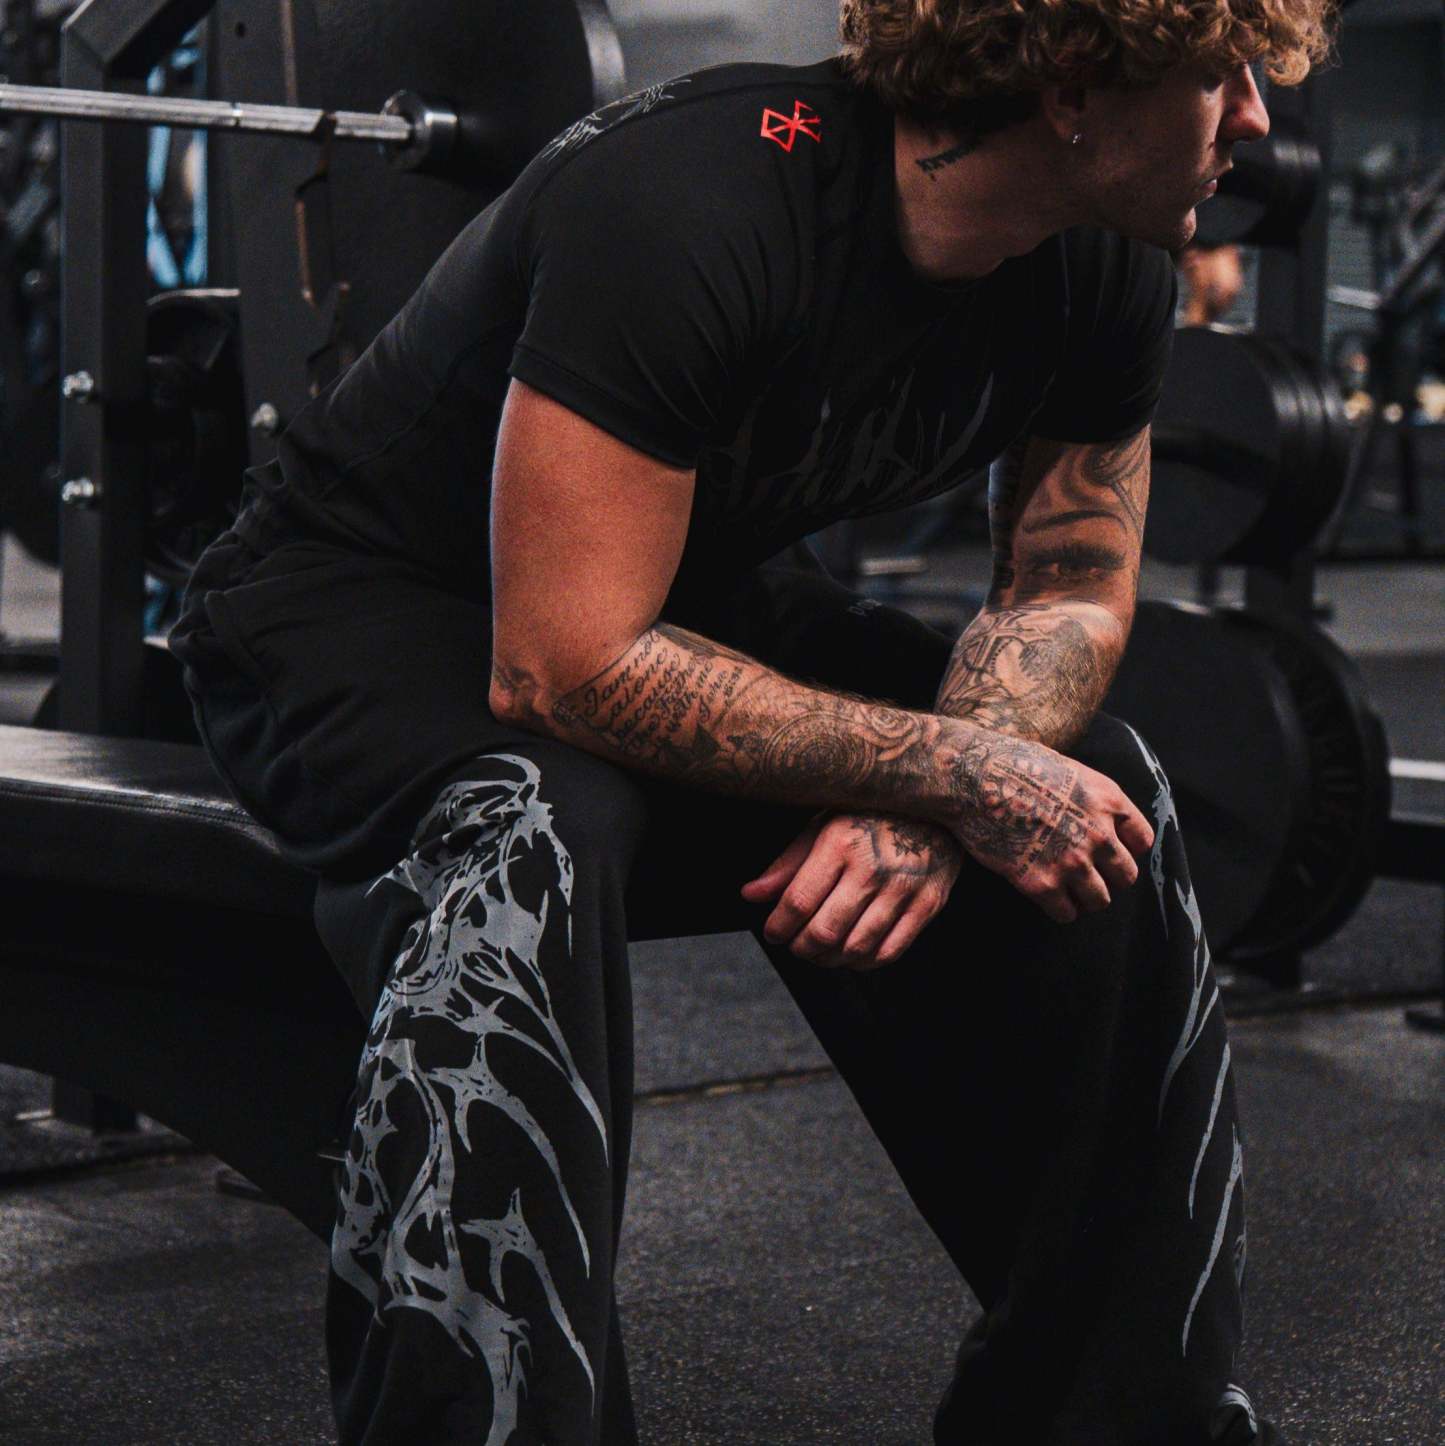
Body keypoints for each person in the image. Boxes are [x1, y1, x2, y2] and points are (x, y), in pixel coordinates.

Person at [170, 0, 1333, 1440]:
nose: (1254, 119)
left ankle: (1116, 1416)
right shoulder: (697, 200)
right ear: (1074, 81)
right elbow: (564, 668)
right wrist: (946, 768)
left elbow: (1067, 584)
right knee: (529, 832)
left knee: (1098, 782)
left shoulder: (1104, 258)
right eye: (1219, 76)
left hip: (673, 596)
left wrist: (950, 789)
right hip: (356, 608)